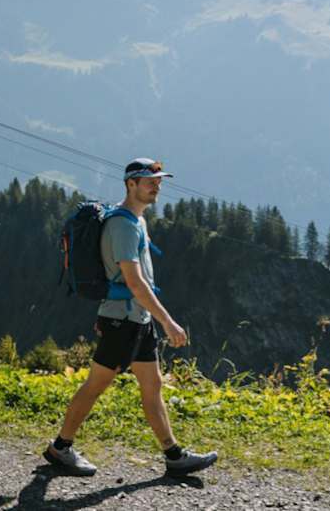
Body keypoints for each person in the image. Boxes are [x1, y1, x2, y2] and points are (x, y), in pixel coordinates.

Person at [45, 158, 217, 478]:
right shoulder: (123, 225)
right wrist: (167, 321)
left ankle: (174, 455)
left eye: (158, 181)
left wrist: (153, 319)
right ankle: (61, 447)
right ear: (130, 184)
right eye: (148, 181)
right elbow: (135, 283)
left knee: (152, 386)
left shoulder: (137, 220)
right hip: (121, 320)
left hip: (137, 320)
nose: (156, 186)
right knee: (96, 385)